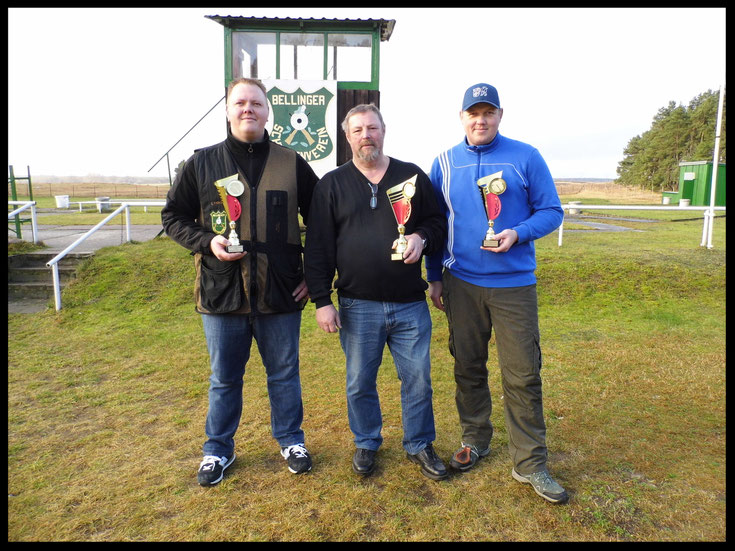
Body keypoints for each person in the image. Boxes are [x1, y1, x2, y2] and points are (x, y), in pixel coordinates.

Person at [161, 78, 319, 486]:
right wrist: (205, 241)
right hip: (221, 292)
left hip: (280, 292)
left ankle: (291, 440)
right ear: (228, 110)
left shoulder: (292, 162)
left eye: (256, 103)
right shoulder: (200, 163)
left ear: (269, 112)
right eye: (240, 103)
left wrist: (314, 280)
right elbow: (172, 218)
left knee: (284, 373)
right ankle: (217, 449)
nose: (248, 109)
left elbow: (322, 222)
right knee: (224, 378)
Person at [425, 83, 568, 503]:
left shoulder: (526, 156)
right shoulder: (444, 163)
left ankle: (531, 463)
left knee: (523, 374)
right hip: (461, 284)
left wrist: (518, 233)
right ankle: (476, 438)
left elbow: (552, 211)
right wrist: (435, 276)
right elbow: (436, 225)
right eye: (474, 113)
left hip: (514, 287)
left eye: (488, 113)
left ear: (500, 116)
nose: (480, 120)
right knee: (468, 366)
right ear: (462, 117)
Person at [304, 104, 448, 480]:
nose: (366, 135)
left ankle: (419, 443)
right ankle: (367, 441)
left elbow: (437, 224)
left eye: (372, 127)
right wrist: (322, 301)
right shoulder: (331, 184)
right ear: (347, 136)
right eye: (357, 130)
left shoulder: (411, 176)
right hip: (357, 304)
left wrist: (420, 236)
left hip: (410, 305)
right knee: (359, 381)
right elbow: (318, 246)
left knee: (417, 379)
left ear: (384, 131)